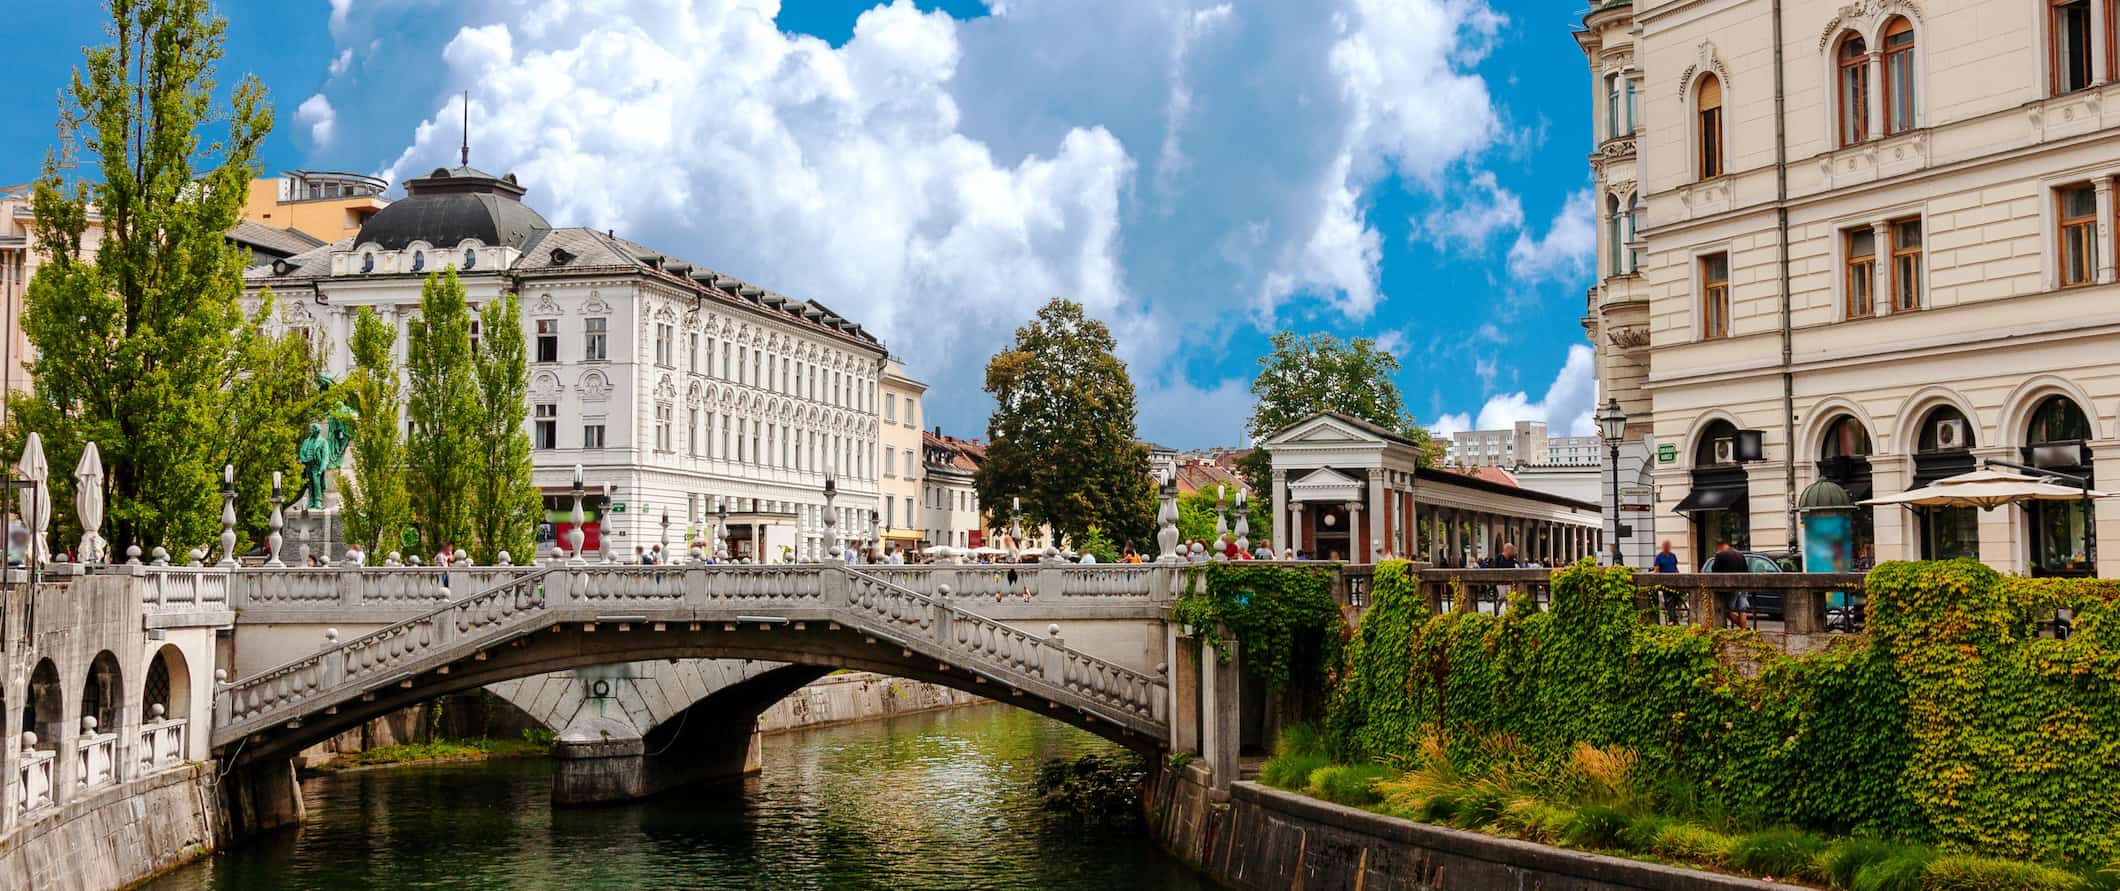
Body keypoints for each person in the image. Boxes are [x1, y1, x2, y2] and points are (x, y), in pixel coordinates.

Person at [1708, 541, 1750, 629]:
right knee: (1742, 610)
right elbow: (1746, 571)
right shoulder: (1740, 554)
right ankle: (1744, 630)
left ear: (1721, 547)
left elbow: (1714, 571)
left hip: (1729, 587)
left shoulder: (1720, 555)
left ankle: (1744, 628)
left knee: (1724, 610)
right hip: (1742, 586)